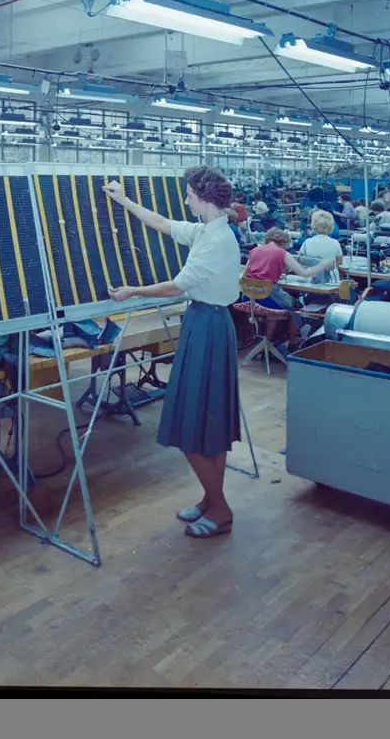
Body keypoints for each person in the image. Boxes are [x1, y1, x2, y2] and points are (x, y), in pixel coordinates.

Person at [104, 167, 242, 540]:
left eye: (189, 195)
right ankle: (212, 500)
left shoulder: (215, 240)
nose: (185, 200)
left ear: (205, 199)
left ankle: (221, 509)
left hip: (207, 326)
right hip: (210, 323)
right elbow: (164, 224)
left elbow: (176, 287)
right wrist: (124, 201)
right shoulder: (209, 230)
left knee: (190, 424)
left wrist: (132, 291)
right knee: (210, 423)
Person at [244, 228, 340, 308]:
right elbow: (305, 274)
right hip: (268, 296)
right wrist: (322, 264)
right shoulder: (283, 253)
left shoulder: (254, 250)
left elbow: (244, 275)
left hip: (248, 297)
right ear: (284, 243)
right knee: (295, 306)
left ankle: (268, 324)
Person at [299, 210, 345, 283]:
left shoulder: (307, 242)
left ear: (313, 226)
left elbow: (300, 260)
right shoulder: (335, 243)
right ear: (331, 226)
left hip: (311, 278)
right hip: (331, 281)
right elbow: (339, 262)